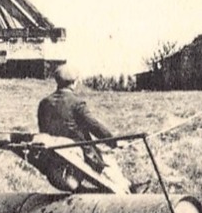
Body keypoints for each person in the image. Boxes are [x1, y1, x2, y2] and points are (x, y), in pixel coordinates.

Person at [35, 66, 133, 194]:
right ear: (74, 82)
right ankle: (129, 192)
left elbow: (44, 130)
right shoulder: (76, 103)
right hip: (79, 157)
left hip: (54, 161)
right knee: (113, 171)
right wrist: (114, 142)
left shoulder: (44, 104)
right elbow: (94, 126)